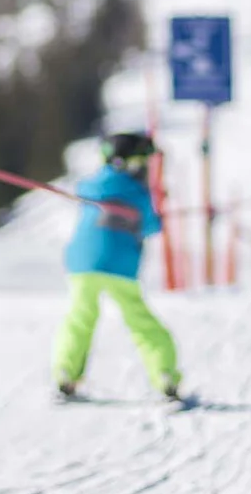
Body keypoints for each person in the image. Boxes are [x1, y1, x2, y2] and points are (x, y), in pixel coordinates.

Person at [54, 132, 182, 402]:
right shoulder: (138, 193)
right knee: (140, 322)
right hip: (120, 265)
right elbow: (151, 226)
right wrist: (158, 204)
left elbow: (84, 192)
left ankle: (65, 374)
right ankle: (165, 377)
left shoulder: (91, 185)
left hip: (81, 262)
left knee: (80, 317)